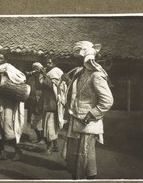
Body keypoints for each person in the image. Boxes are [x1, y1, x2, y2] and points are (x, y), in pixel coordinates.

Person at [61, 41, 114, 179]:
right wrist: (68, 81)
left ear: (85, 58)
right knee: (79, 160)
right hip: (76, 122)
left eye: (77, 57)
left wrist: (91, 114)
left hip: (87, 123)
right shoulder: (81, 73)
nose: (74, 60)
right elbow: (77, 93)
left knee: (83, 159)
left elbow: (107, 100)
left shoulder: (96, 76)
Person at [0, 53, 26, 161]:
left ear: (6, 59)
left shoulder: (9, 67)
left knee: (7, 127)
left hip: (8, 103)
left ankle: (18, 151)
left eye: (1, 58)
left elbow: (21, 77)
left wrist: (7, 74)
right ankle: (2, 153)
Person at [39, 56, 64, 154]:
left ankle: (49, 147)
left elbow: (51, 86)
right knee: (50, 125)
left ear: (54, 63)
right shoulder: (49, 72)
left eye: (50, 63)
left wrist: (44, 75)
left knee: (49, 125)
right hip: (47, 101)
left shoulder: (56, 72)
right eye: (47, 63)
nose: (47, 64)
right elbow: (40, 85)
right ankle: (56, 146)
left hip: (52, 102)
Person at [26, 62, 45, 144]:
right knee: (33, 121)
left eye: (37, 68)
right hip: (33, 102)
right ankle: (39, 137)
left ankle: (43, 139)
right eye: (34, 68)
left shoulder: (43, 78)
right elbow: (27, 87)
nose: (35, 70)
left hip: (41, 102)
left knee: (41, 121)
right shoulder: (31, 78)